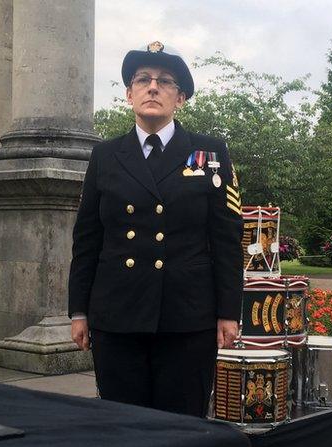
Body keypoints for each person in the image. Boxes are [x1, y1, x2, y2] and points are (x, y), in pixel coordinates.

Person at [68, 41, 244, 417]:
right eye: (143, 79)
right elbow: (87, 240)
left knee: (182, 422)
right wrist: (78, 311)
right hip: (117, 315)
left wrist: (229, 312)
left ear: (180, 98)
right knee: (122, 421)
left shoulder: (210, 153)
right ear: (129, 93)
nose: (152, 87)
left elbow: (227, 239)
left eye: (165, 82)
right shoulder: (105, 155)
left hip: (187, 316)